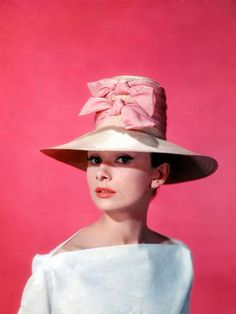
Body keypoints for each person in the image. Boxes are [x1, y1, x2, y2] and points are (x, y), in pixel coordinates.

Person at [18, 75, 217, 314]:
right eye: (94, 159)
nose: (101, 173)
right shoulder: (57, 268)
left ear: (159, 174)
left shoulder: (177, 258)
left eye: (123, 159)